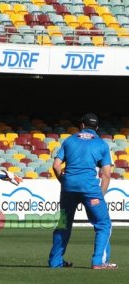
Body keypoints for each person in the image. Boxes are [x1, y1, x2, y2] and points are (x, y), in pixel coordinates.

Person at [48, 113, 117, 270]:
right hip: (90, 190)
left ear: (82, 125)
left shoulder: (69, 140)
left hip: (68, 188)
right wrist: (101, 195)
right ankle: (98, 262)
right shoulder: (101, 144)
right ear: (97, 128)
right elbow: (106, 174)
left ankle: (55, 262)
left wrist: (64, 182)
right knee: (103, 224)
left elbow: (56, 166)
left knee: (63, 224)